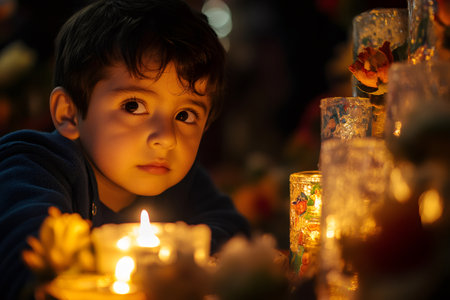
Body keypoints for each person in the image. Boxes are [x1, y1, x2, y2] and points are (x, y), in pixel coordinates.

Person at [0, 0, 250, 298]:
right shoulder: (33, 165)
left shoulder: (182, 181)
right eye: (134, 106)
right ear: (69, 112)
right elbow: (33, 268)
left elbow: (235, 241)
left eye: (185, 115)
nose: (166, 138)